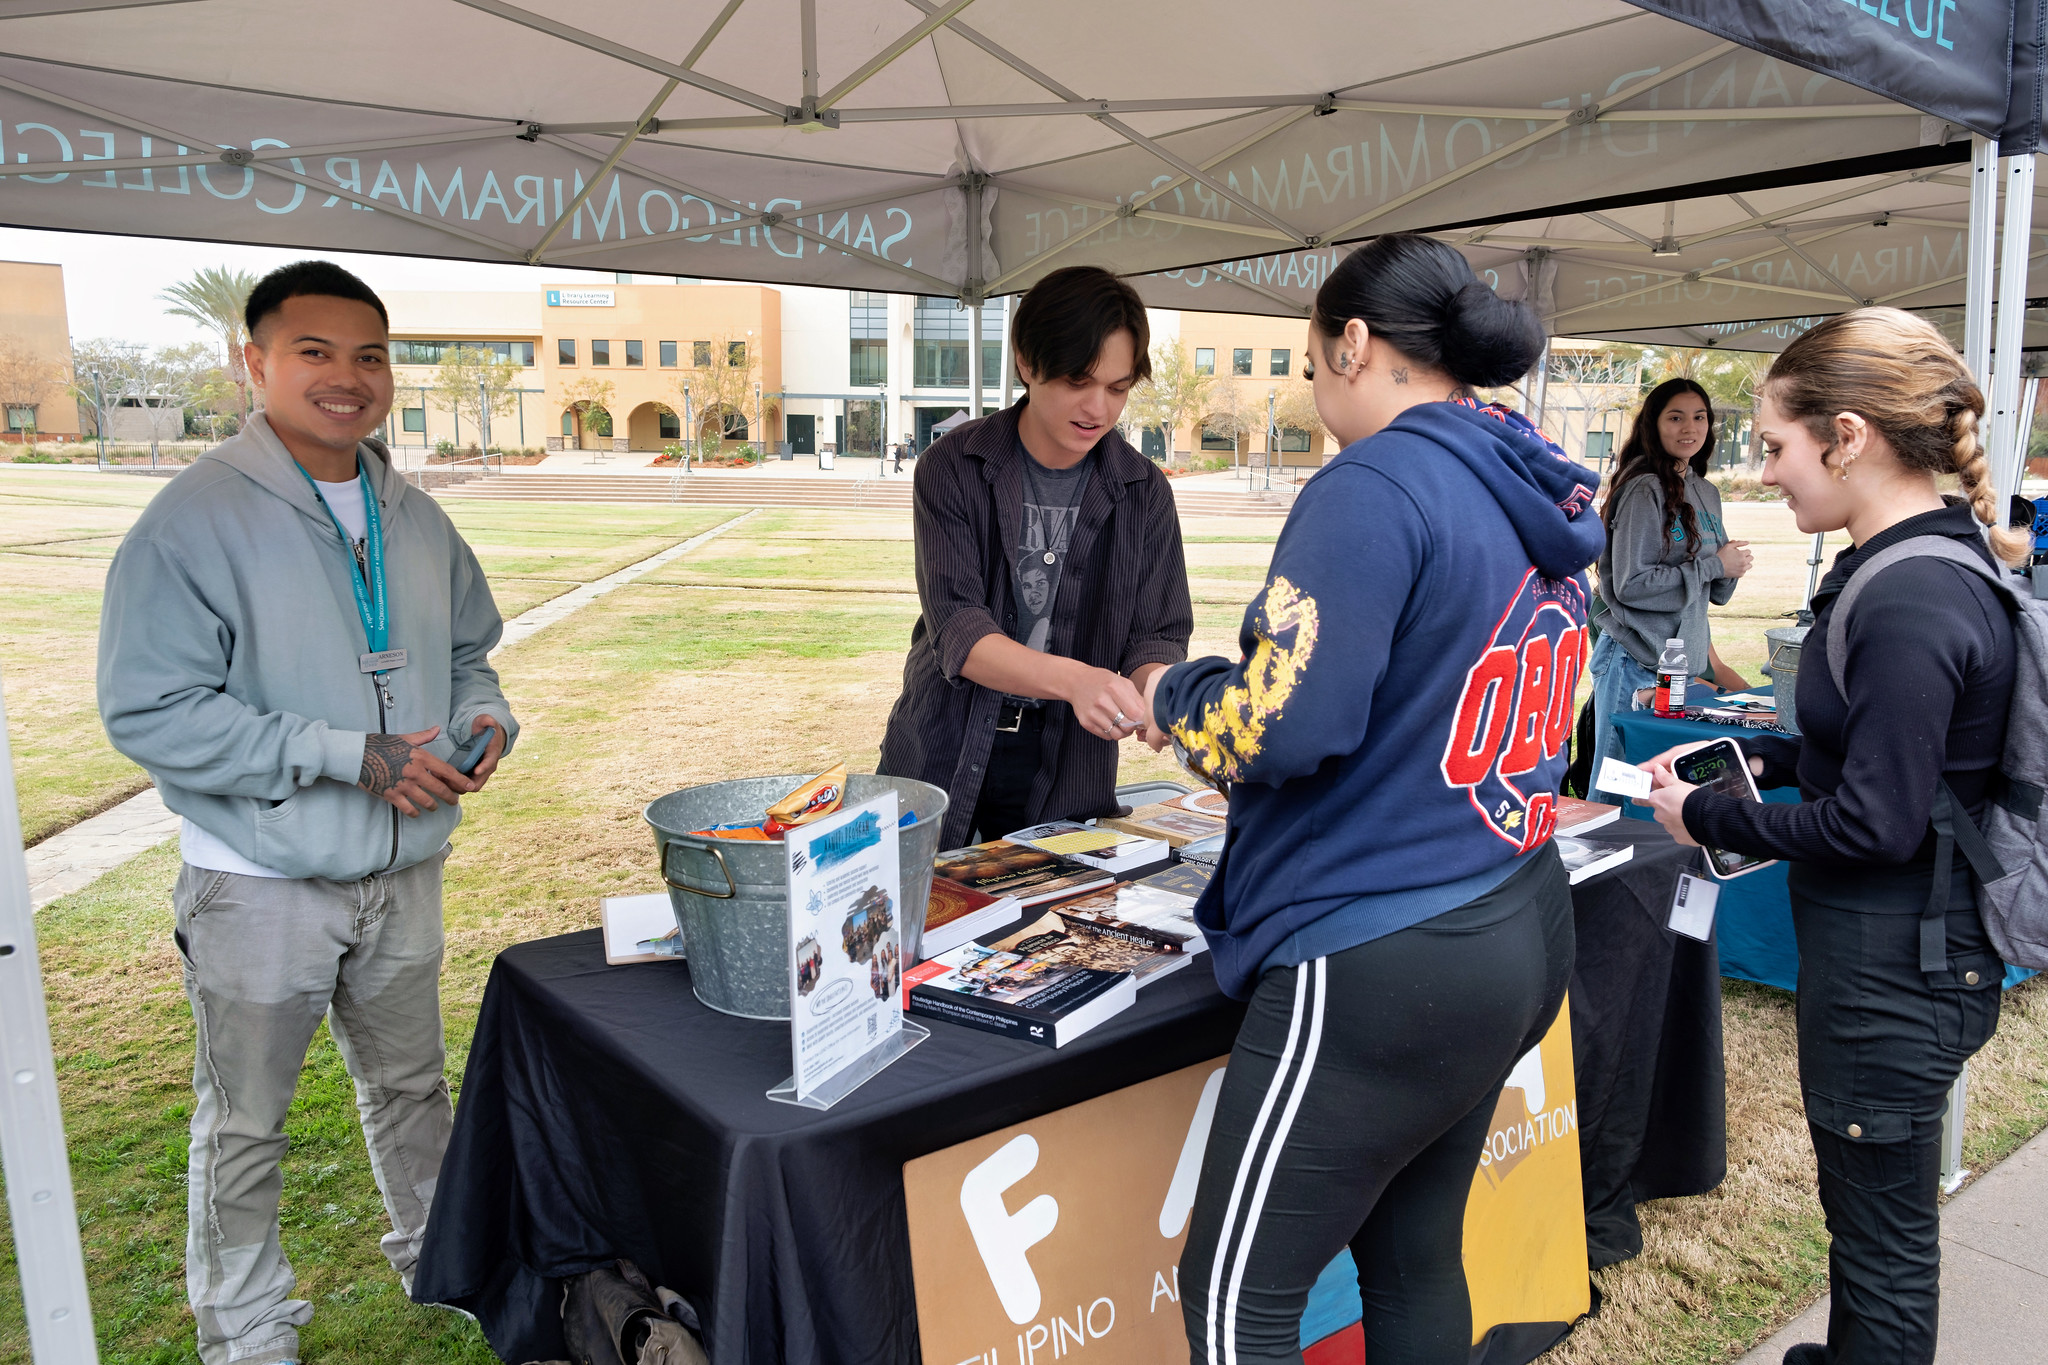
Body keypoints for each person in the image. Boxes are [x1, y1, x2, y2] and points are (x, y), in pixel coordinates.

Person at [1140, 234, 1603, 1365]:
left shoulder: (1374, 484)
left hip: (1385, 946)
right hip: (1512, 904)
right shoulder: (1524, 472)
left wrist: (1172, 691)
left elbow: (1281, 725)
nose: (1312, 393)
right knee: (1410, 1248)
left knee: (1229, 1295)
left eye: (1306, 364)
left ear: (1350, 344)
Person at [97, 260, 518, 1365]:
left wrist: (484, 722)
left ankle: (444, 1263)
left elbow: (471, 651)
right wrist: (347, 755)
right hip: (257, 878)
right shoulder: (192, 521)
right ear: (256, 364)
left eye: (368, 354)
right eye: (314, 352)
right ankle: (242, 1327)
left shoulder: (415, 516)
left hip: (403, 870)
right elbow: (151, 710)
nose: (347, 377)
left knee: (412, 1091)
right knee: (243, 1121)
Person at [1642, 308, 2020, 1365]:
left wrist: (1707, 813)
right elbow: (1884, 756)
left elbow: (1874, 819)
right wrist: (1763, 760)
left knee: (1881, 1240)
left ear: (1846, 437)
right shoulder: (1916, 566)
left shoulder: (1911, 594)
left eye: (1773, 445)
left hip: (1896, 969)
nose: (1763, 474)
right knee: (1869, 1226)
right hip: (1903, 956)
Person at [879, 266, 1191, 848]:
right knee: (911, 919)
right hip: (943, 742)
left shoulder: (1143, 490)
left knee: (1043, 930)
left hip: (1069, 763)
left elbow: (1157, 634)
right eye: (1078, 380)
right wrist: (1076, 681)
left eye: (1119, 388)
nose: (1098, 408)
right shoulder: (955, 466)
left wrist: (1159, 690)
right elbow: (959, 631)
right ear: (1027, 361)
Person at [1586, 377, 1754, 798]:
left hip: (1681, 667)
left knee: (1657, 786)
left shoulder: (1707, 492)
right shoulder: (1645, 488)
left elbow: (1712, 592)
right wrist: (1714, 564)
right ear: (1653, 425)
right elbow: (1629, 585)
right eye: (1675, 417)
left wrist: (1729, 568)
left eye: (1699, 417)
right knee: (1617, 784)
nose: (1689, 428)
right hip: (1636, 659)